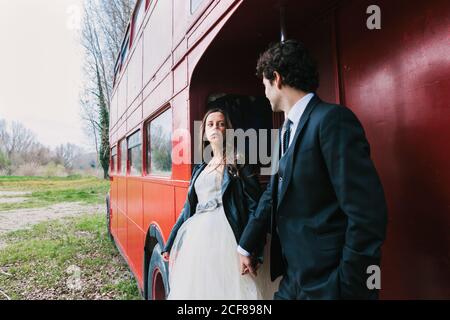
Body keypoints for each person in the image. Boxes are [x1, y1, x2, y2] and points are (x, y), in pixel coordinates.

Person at [238, 40, 388, 300]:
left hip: (330, 285)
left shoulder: (333, 121)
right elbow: (272, 193)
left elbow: (367, 214)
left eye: (264, 86)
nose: (264, 94)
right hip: (293, 280)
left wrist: (347, 284)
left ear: (276, 78)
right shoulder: (285, 131)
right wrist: (246, 244)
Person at [161, 107, 279, 300]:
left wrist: (252, 249)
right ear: (205, 132)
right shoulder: (200, 168)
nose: (215, 127)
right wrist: (171, 241)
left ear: (228, 131)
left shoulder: (239, 162)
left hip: (229, 236)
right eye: (210, 124)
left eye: (221, 124)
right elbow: (188, 209)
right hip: (199, 241)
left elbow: (254, 206)